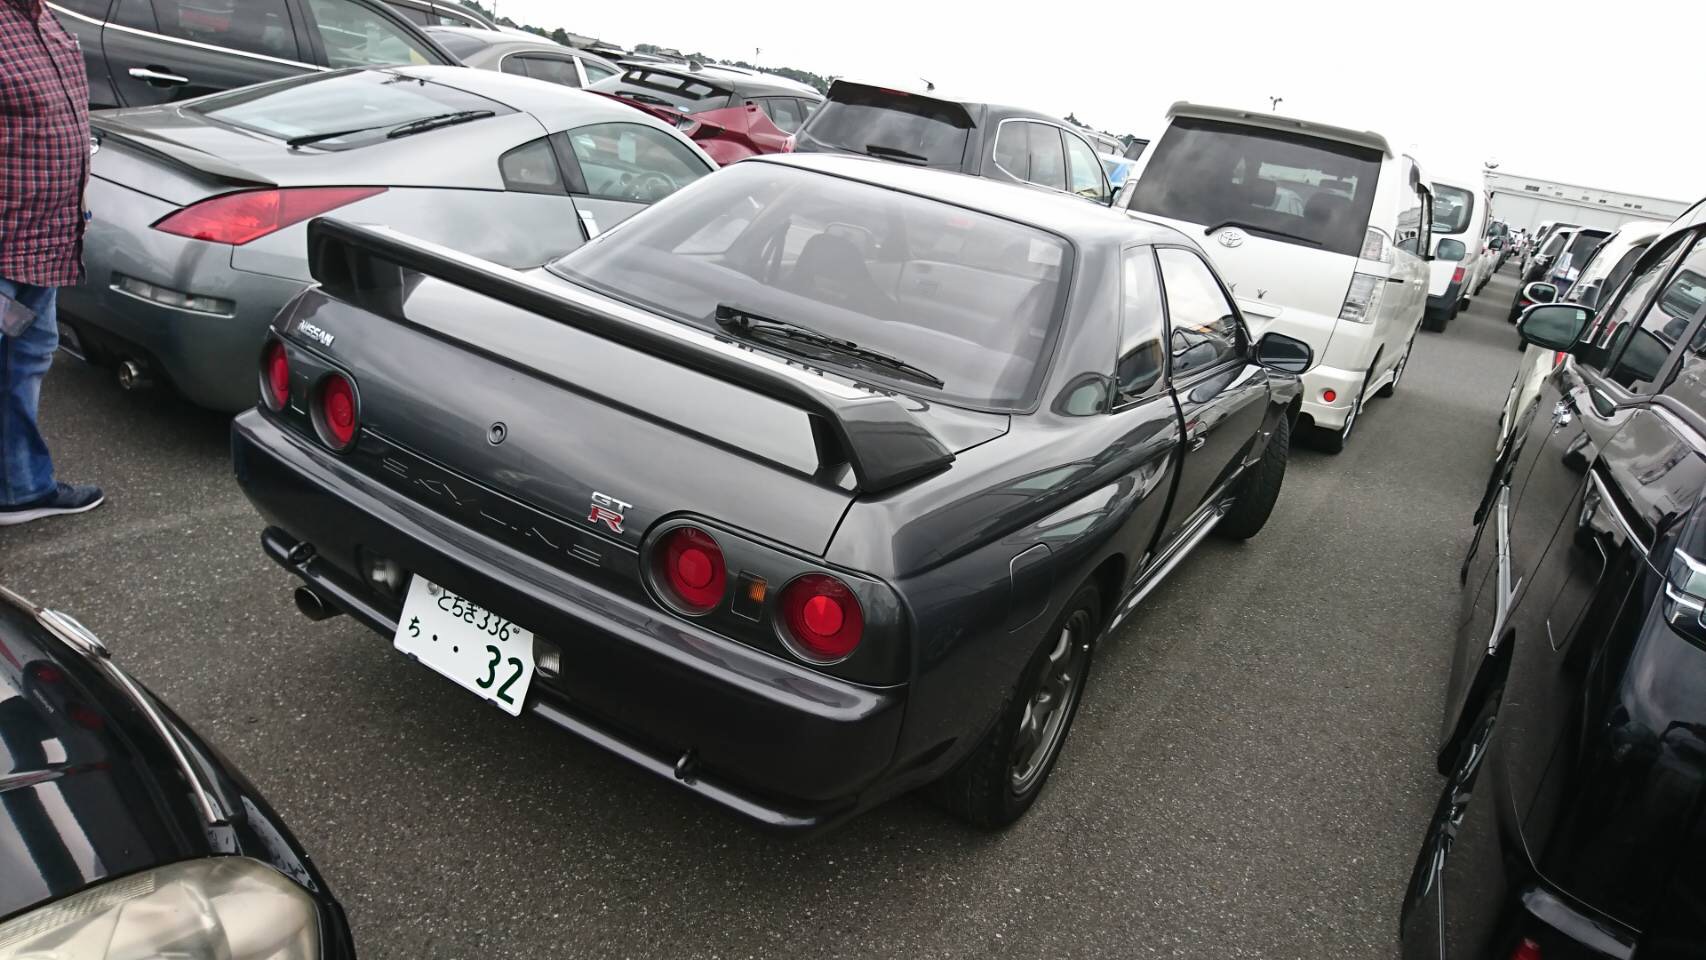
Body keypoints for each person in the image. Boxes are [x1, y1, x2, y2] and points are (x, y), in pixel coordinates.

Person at [0, 0, 103, 526]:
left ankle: (19, 489)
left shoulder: (42, 17)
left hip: (45, 241)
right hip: (5, 242)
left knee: (25, 363)